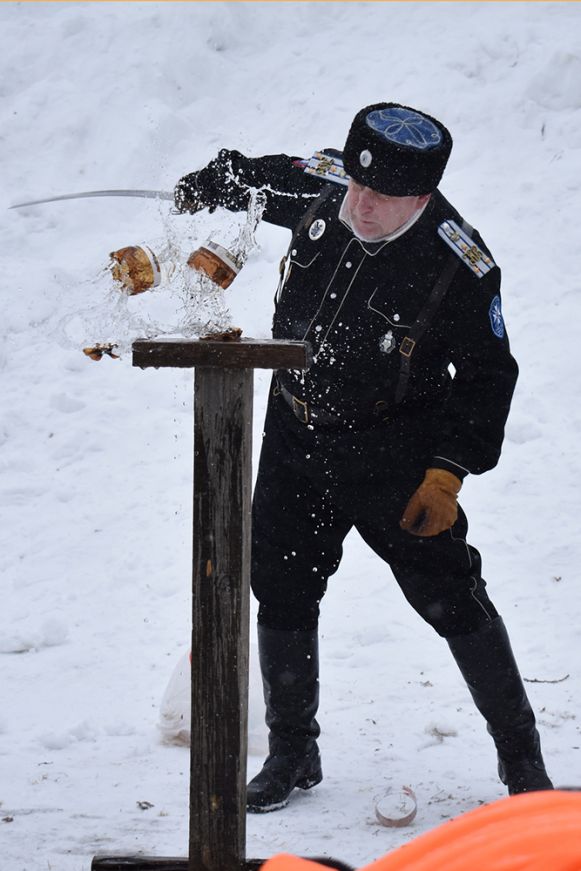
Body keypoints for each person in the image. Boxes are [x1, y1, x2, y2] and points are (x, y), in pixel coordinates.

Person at [174, 102, 553, 813]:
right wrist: (215, 180)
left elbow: (486, 377)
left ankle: (522, 761)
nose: (361, 204)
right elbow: (260, 178)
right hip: (296, 432)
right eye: (355, 185)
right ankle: (292, 748)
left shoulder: (456, 263)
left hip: (394, 455)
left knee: (452, 600)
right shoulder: (330, 191)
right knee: (280, 589)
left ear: (423, 196)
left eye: (382, 197)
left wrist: (446, 473)